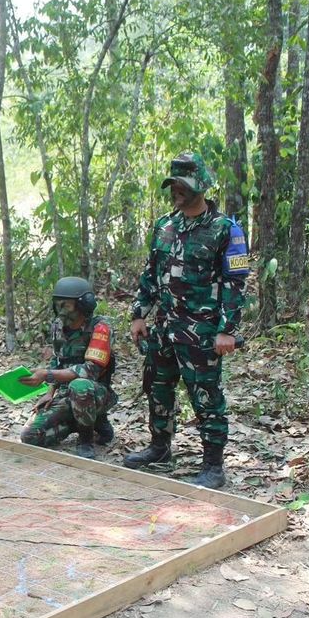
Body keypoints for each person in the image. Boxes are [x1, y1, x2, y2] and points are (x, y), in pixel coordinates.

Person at [123, 152, 249, 489]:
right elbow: (151, 272)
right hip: (164, 327)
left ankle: (213, 466)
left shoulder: (226, 230)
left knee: (205, 395)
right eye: (173, 184)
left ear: (201, 187)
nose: (176, 190)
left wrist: (228, 330)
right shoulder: (164, 224)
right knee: (158, 389)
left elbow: (236, 284)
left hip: (202, 331)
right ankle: (160, 447)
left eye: (184, 185)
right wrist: (139, 313)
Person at [19, 276, 117, 459]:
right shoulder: (58, 326)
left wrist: (47, 375)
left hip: (96, 392)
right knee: (29, 436)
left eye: (66, 305)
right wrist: (49, 392)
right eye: (58, 305)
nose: (61, 311)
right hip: (67, 394)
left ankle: (86, 439)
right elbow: (58, 360)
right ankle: (80, 421)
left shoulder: (100, 328)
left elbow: (91, 370)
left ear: (83, 305)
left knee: (80, 385)